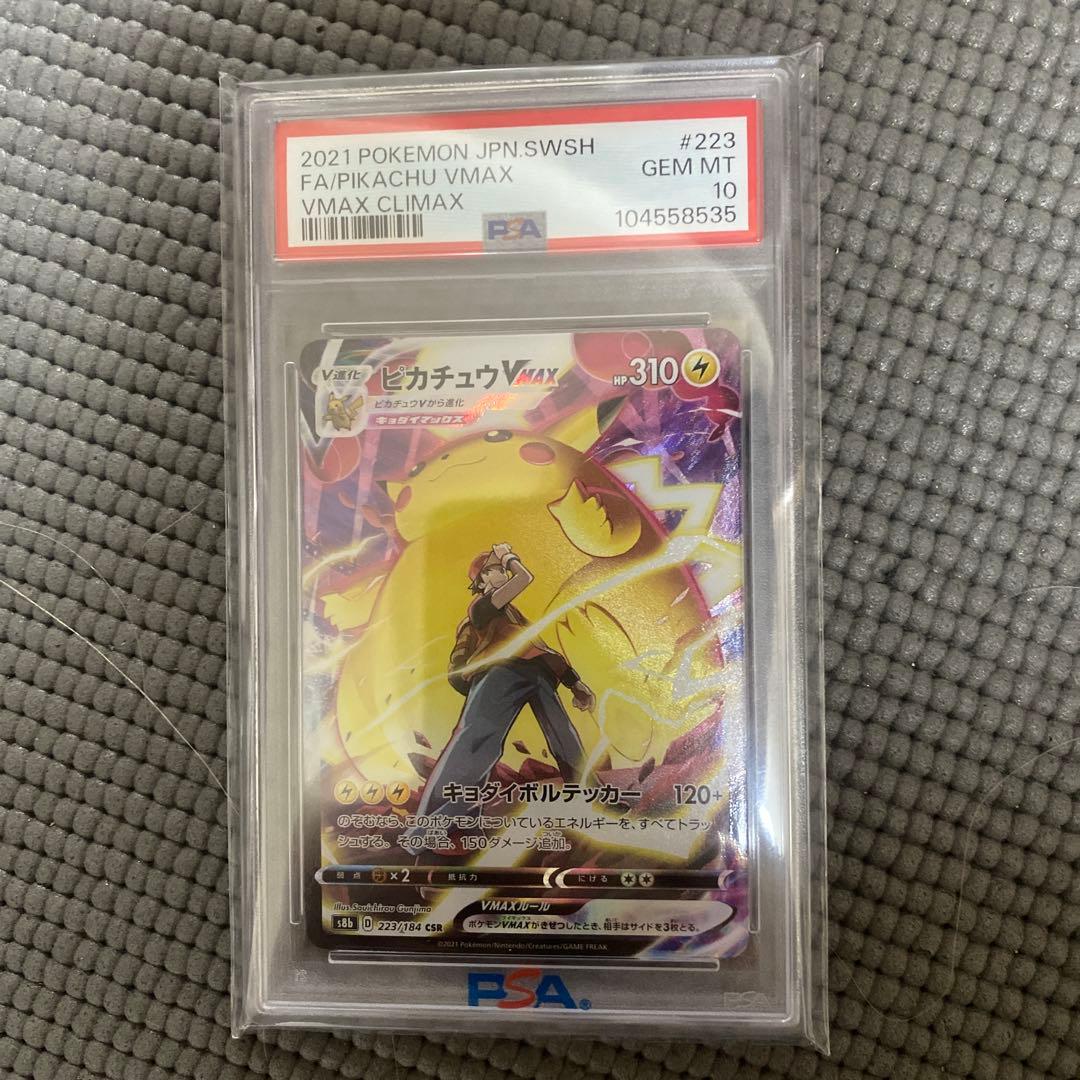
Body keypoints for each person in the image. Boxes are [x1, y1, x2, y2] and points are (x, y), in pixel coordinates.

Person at [417, 543, 595, 822]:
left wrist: (574, 683)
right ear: (481, 582)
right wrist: (508, 557)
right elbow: (524, 578)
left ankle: (593, 798)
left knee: (565, 738)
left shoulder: (517, 617)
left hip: (537, 674)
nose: (502, 572)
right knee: (475, 743)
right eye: (494, 569)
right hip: (500, 674)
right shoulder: (480, 608)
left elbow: (540, 648)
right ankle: (434, 820)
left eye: (501, 568)